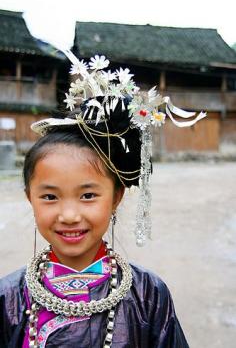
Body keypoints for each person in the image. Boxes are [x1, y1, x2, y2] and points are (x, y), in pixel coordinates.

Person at [0, 52, 206, 348]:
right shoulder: (8, 297)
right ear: (29, 198)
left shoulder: (149, 295)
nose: (69, 214)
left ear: (116, 197)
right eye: (49, 196)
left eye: (87, 195)